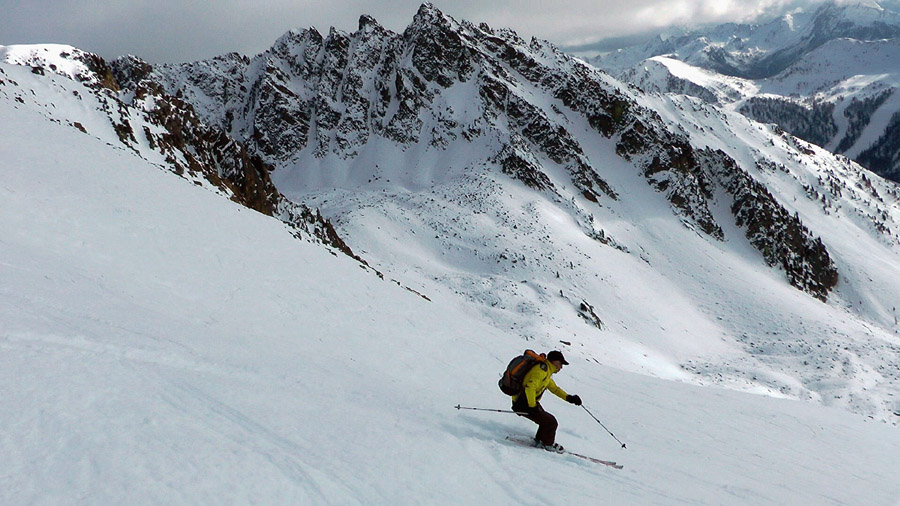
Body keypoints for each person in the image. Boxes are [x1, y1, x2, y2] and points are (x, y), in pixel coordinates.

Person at [511, 350, 582, 453]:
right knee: (551, 422)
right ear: (554, 361)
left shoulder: (546, 371)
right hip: (523, 403)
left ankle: (540, 441)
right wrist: (532, 407)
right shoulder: (541, 371)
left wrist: (569, 398)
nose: (561, 367)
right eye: (560, 363)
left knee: (546, 420)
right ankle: (548, 445)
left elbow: (555, 389)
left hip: (527, 401)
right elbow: (529, 387)